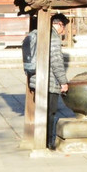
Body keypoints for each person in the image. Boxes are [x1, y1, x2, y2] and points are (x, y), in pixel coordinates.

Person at [22, 13, 70, 147]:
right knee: (50, 112)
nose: (63, 31)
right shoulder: (53, 37)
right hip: (48, 81)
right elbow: (56, 61)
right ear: (60, 24)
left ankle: (39, 140)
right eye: (64, 27)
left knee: (41, 111)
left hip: (36, 78)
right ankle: (48, 142)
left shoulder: (37, 33)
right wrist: (63, 82)